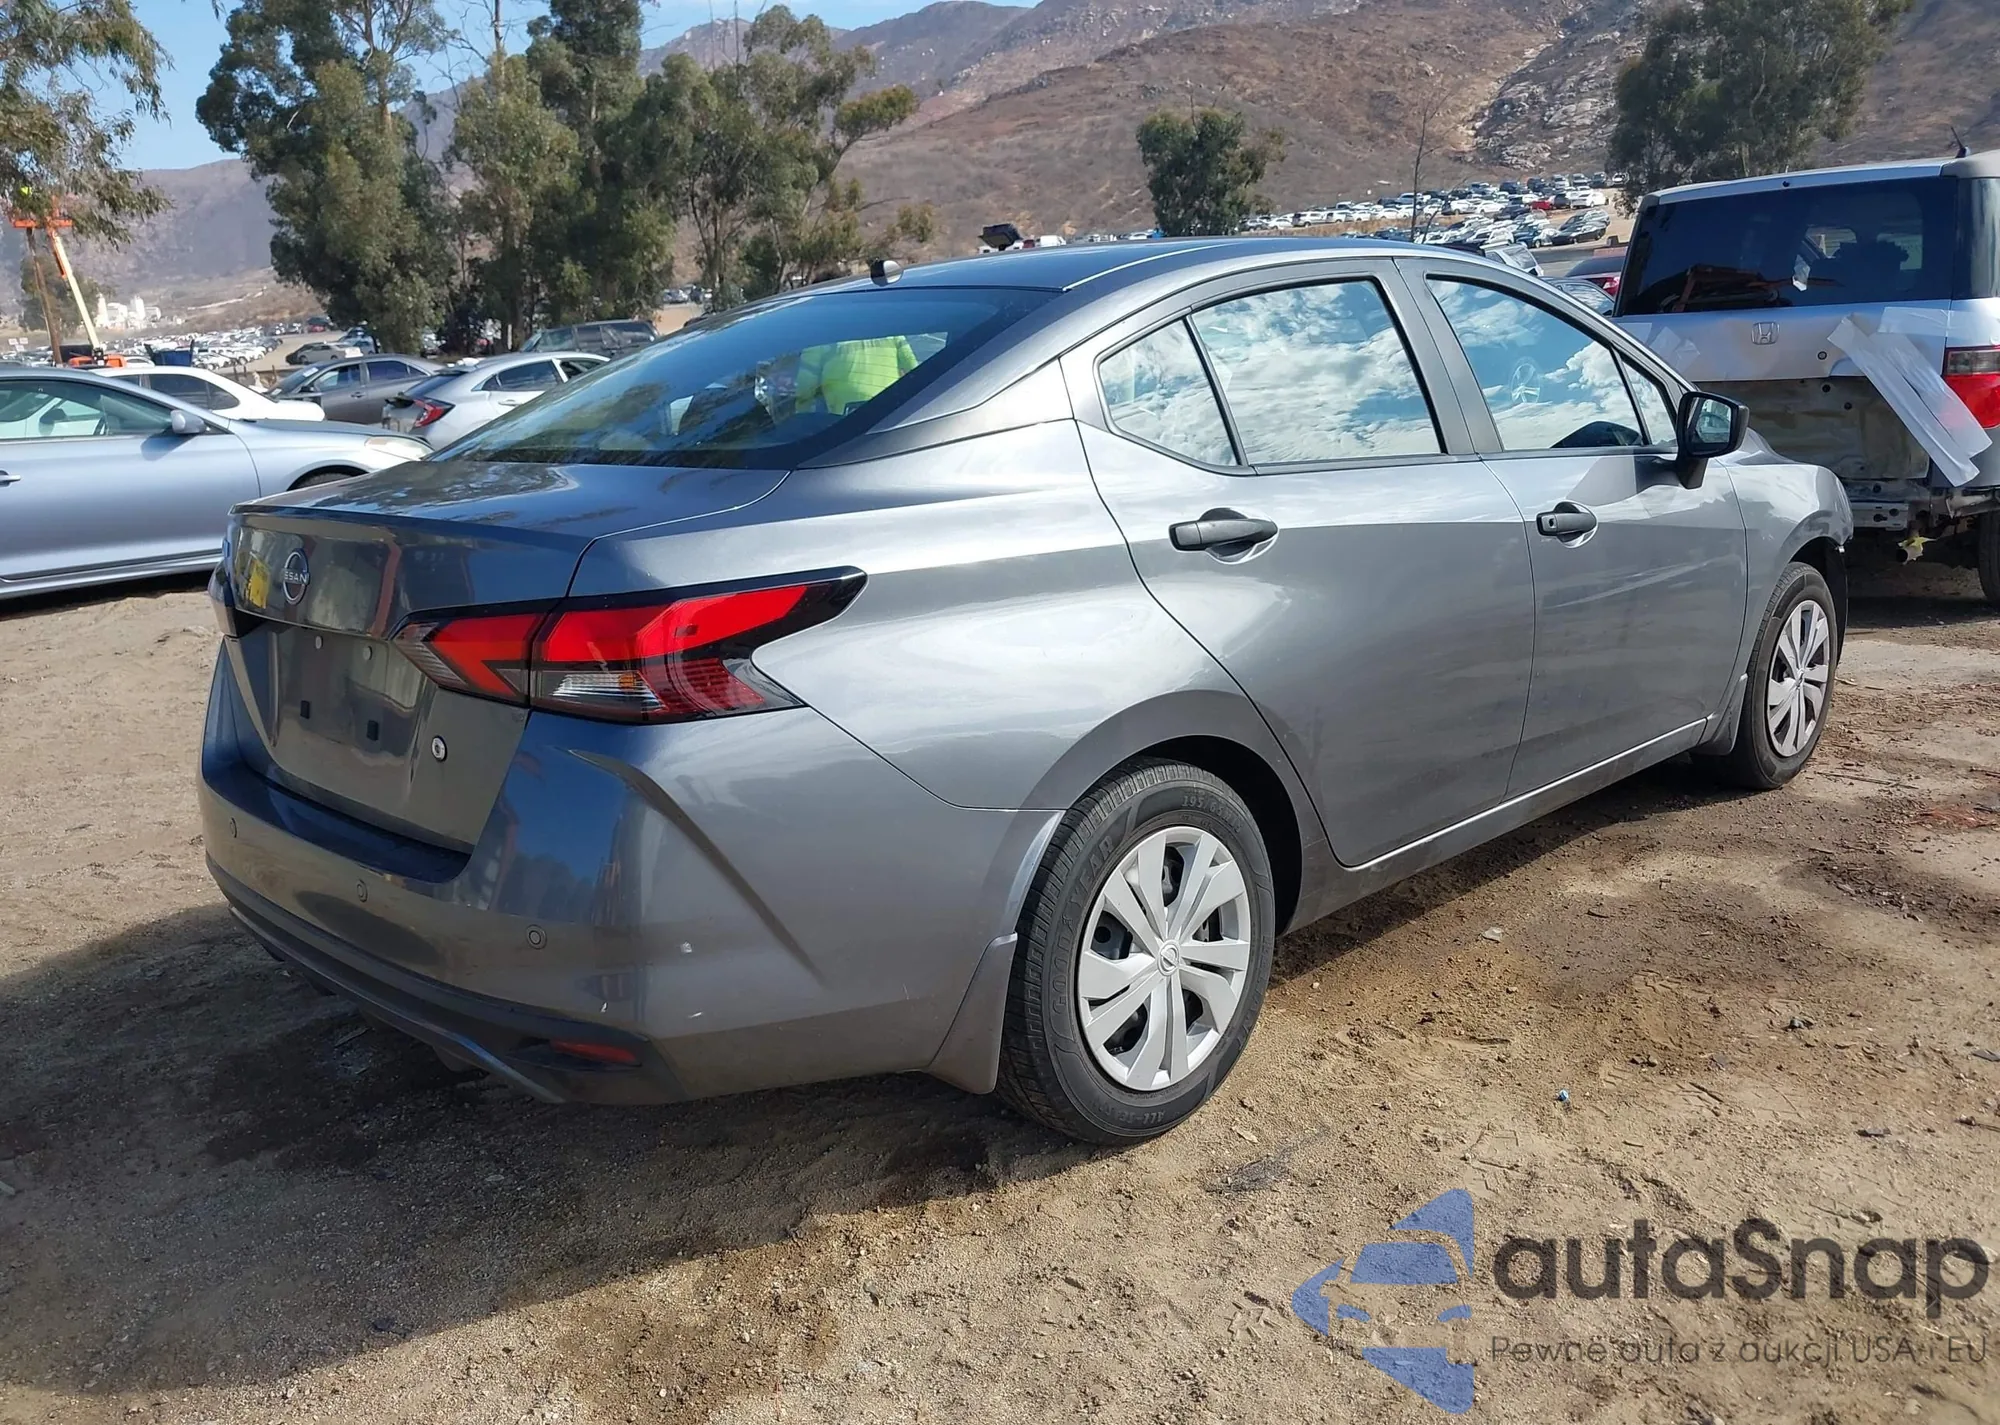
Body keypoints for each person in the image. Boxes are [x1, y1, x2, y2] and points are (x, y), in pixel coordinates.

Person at [792, 334, 919, 416]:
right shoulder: (892, 334)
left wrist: (802, 416)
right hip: (889, 412)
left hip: (844, 418)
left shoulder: (821, 340)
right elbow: (914, 370)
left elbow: (806, 385)